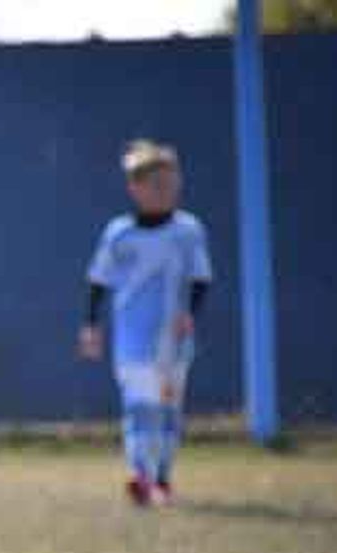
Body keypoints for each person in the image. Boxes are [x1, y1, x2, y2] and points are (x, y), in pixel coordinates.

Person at [81, 139, 212, 507]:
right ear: (135, 188)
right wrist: (90, 325)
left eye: (171, 184)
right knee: (140, 407)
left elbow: (201, 278)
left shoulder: (188, 231)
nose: (165, 192)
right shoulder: (119, 233)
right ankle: (140, 475)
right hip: (132, 339)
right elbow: (98, 280)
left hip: (173, 340)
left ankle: (162, 479)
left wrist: (190, 316)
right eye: (157, 185)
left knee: (167, 411)